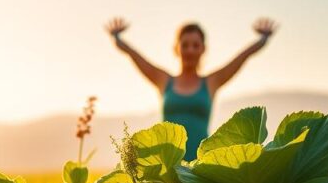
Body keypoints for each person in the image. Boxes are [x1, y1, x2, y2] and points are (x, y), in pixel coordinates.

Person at [106, 17, 277, 161]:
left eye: (195, 45)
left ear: (203, 49)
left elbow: (240, 59)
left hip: (200, 164)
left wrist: (262, 41)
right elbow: (137, 58)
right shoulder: (164, 80)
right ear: (176, 48)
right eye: (185, 45)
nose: (190, 50)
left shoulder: (211, 82)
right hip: (167, 164)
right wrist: (118, 39)